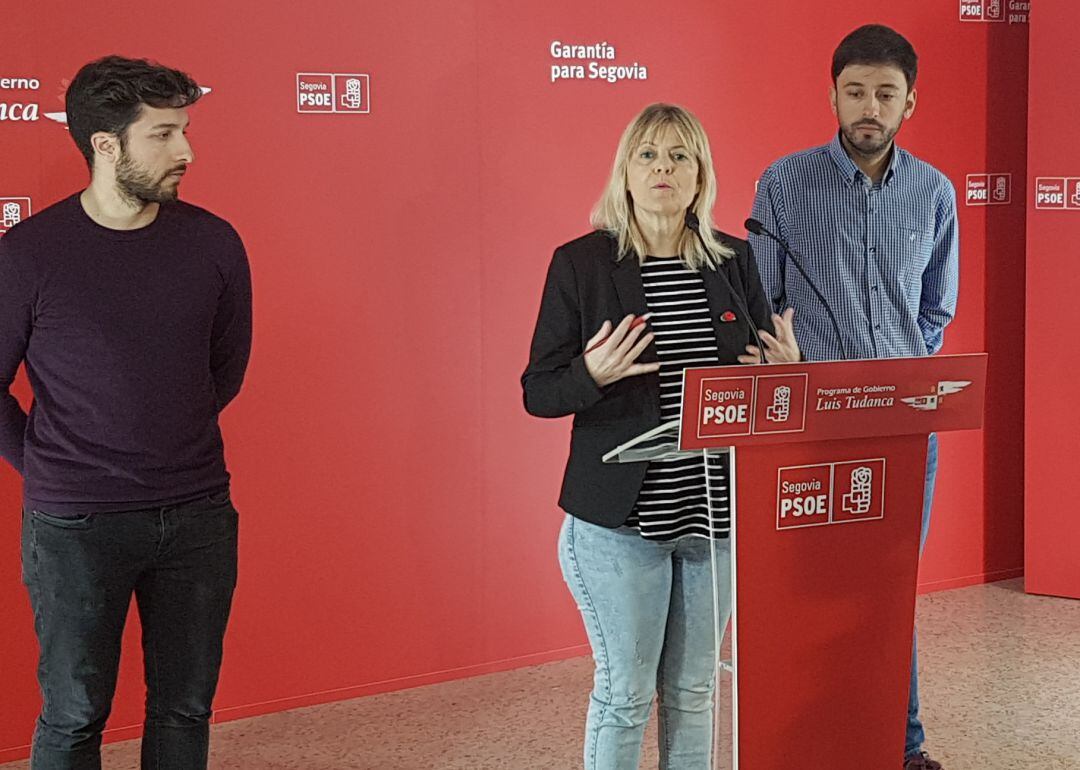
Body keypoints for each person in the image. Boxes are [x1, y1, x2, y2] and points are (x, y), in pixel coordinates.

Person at [522, 102, 799, 769]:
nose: (663, 168)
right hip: (619, 525)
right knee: (625, 695)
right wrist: (591, 372)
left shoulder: (734, 261)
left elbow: (764, 389)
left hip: (713, 520)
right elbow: (539, 391)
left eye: (678, 155)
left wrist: (785, 375)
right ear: (625, 171)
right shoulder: (582, 265)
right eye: (647, 154)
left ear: (700, 173)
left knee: (694, 690)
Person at [0, 56, 252, 769]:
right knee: (75, 714)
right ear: (106, 145)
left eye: (185, 130)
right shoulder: (28, 255)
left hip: (198, 514)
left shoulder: (213, 243)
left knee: (184, 707)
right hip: (75, 527)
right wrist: (53, 467)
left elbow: (222, 369)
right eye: (164, 134)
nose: (186, 151)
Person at [748, 24, 959, 770]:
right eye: (856, 91)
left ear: (910, 102)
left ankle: (901, 748)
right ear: (833, 94)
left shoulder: (935, 193)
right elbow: (762, 300)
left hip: (905, 433)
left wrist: (898, 375)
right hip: (812, 427)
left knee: (886, 593)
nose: (869, 107)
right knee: (807, 596)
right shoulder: (783, 183)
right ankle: (804, 740)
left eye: (885, 93)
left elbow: (936, 309)